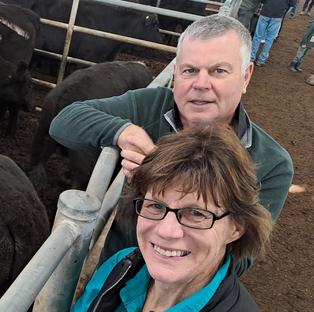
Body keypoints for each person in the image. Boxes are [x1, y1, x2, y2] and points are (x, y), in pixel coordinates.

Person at [48, 14, 293, 276]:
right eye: (189, 70)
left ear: (246, 76)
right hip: (116, 273)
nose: (201, 84)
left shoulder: (272, 163)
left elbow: (240, 261)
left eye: (218, 71)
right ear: (175, 72)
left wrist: (157, 181)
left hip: (184, 293)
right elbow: (63, 121)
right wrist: (123, 131)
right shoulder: (151, 106)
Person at [34, 125, 284, 312]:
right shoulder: (121, 268)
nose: (166, 231)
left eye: (196, 213)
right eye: (156, 206)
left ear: (237, 227)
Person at [251, 0, 297, 66]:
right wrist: (282, 13)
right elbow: (292, 5)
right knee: (270, 39)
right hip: (278, 16)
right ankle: (261, 60)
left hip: (265, 12)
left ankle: (251, 57)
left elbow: (262, 1)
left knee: (258, 36)